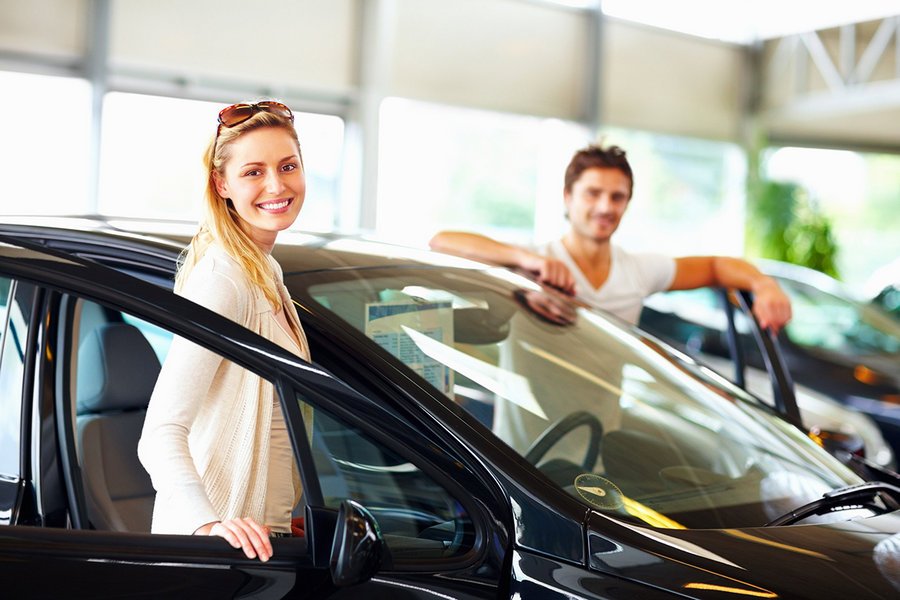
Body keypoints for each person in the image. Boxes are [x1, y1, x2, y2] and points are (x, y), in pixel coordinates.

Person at [138, 100, 311, 562]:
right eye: (253, 171)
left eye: (287, 165)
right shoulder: (223, 278)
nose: (277, 185)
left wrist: (282, 512)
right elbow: (161, 431)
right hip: (219, 547)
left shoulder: (265, 269)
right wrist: (208, 525)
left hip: (262, 536)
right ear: (222, 183)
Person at [430, 143, 792, 331]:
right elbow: (441, 242)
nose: (605, 207)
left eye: (617, 197)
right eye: (593, 193)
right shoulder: (533, 262)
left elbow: (716, 266)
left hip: (600, 449)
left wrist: (764, 285)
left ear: (627, 203)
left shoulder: (636, 270)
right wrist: (527, 261)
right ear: (567, 197)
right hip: (524, 456)